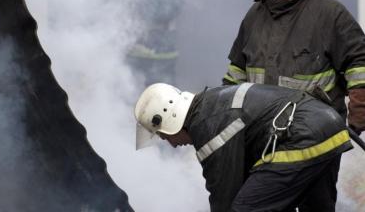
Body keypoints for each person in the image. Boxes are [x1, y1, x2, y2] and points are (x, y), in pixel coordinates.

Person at [222, 0, 365, 210]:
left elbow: (359, 64)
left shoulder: (330, 13)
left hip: (318, 135)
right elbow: (236, 73)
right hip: (265, 135)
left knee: (317, 205)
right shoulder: (253, 17)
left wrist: (359, 114)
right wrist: (226, 116)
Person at [134, 82, 353, 211]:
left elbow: (224, 198)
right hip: (328, 126)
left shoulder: (207, 128)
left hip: (303, 137)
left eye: (162, 135)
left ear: (170, 118)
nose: (167, 142)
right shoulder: (211, 103)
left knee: (244, 208)